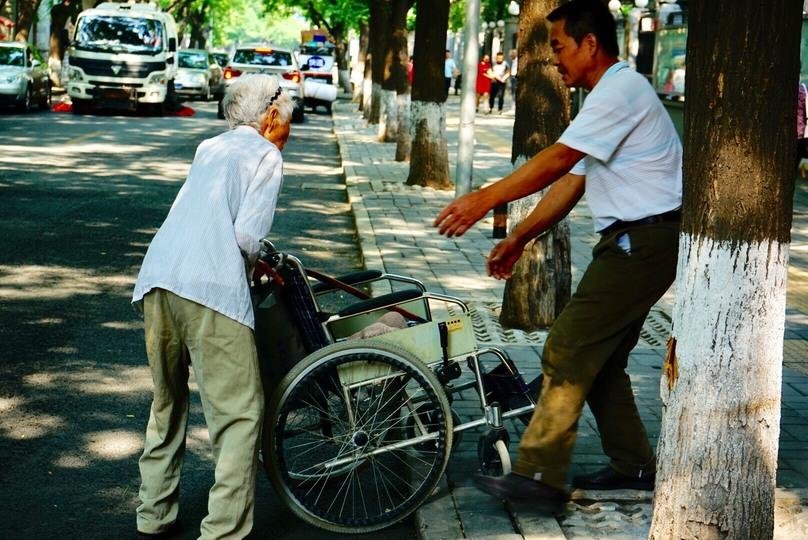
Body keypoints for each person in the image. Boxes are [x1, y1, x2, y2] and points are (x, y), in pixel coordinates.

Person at [434, 0, 682, 512]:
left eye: (559, 46)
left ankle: (540, 475)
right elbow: (572, 182)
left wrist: (484, 199)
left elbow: (559, 161)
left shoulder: (621, 90)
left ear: (591, 44)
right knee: (602, 359)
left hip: (644, 243)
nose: (555, 59)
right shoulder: (606, 97)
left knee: (567, 347)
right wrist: (520, 236)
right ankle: (633, 466)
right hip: (639, 242)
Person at [132, 74, 293, 538]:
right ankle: (222, 531)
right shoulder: (266, 155)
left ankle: (153, 514)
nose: (289, 125)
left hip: (160, 277)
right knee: (239, 415)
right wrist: (258, 264)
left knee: (167, 403)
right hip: (210, 287)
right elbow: (245, 237)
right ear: (269, 115)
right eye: (287, 115)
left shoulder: (211, 147)